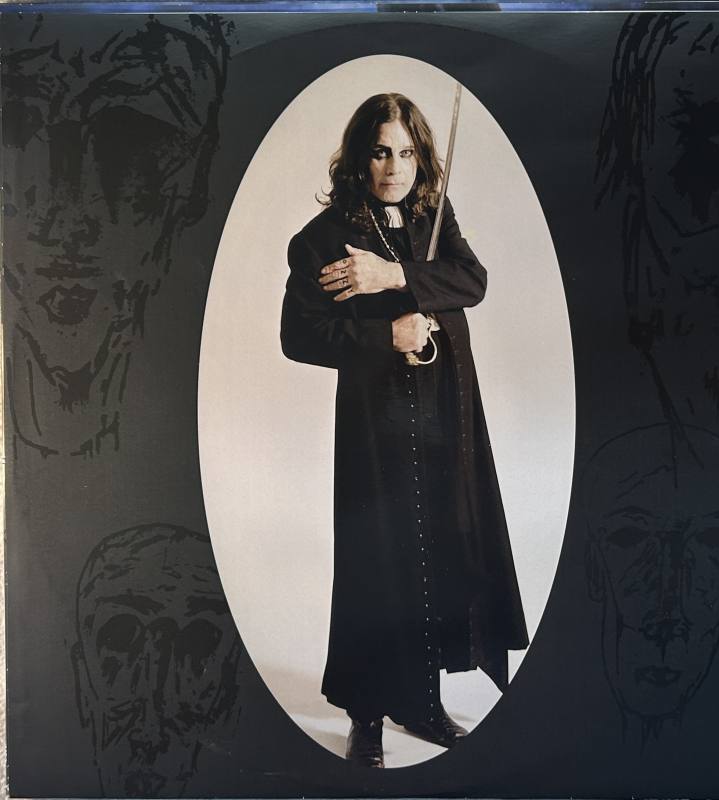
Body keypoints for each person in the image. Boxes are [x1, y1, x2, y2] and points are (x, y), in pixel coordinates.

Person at [280, 92, 529, 768]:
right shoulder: (322, 238)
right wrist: (383, 335)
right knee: (378, 558)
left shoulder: (431, 217)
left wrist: (391, 275)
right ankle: (367, 715)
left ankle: (421, 702)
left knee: (440, 550)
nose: (394, 168)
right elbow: (299, 335)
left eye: (407, 153)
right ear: (358, 160)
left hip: (446, 412)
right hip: (376, 421)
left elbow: (472, 281)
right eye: (381, 152)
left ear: (422, 159)